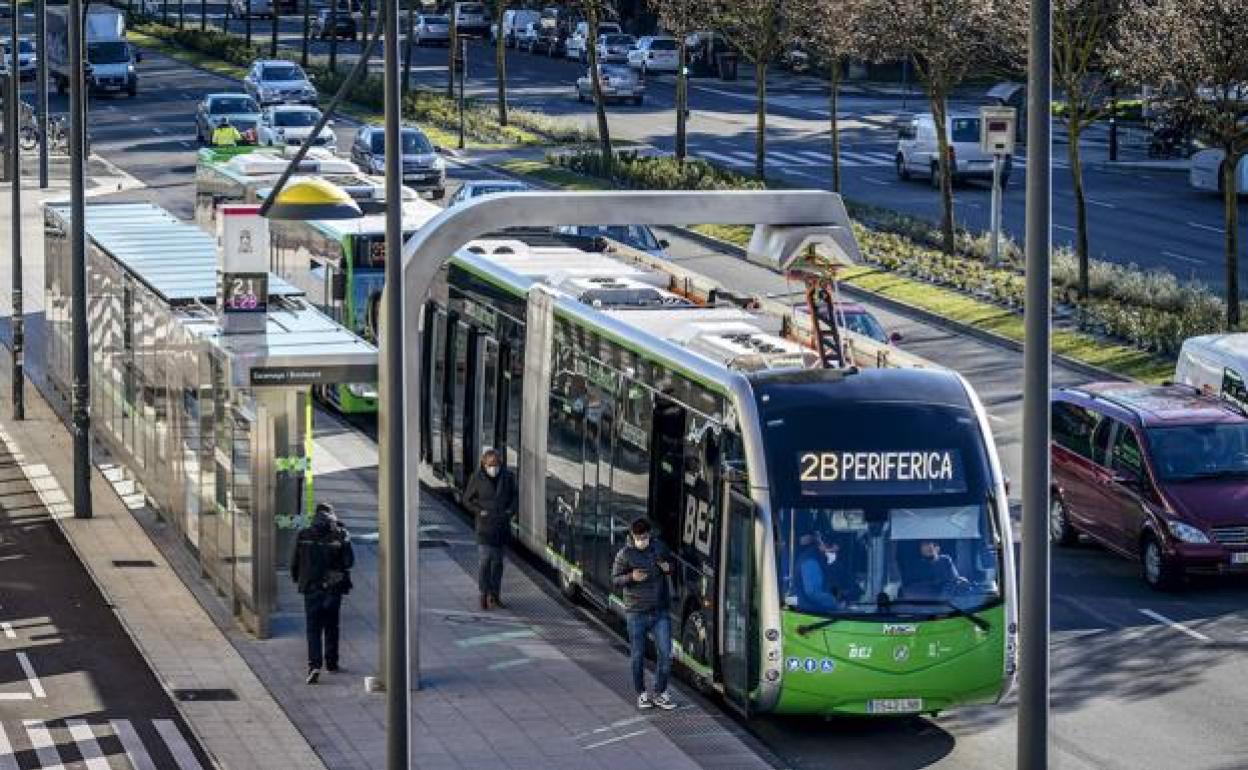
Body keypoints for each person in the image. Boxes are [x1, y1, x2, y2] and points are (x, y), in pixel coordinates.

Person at [611, 518, 678, 711]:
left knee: (665, 653)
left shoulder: (659, 548)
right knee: (638, 655)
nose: (642, 540)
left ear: (650, 534)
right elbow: (615, 579)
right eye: (639, 537)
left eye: (645, 537)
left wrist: (668, 568)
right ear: (632, 536)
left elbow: (672, 565)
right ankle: (641, 693)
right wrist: (631, 577)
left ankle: (660, 692)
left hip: (660, 611)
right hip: (636, 612)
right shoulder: (624, 554)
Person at [290, 503, 354, 684]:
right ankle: (332, 663)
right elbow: (349, 562)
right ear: (332, 516)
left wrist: (299, 580)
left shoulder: (304, 535)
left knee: (313, 628)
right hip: (333, 588)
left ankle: (314, 666)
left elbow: (295, 562)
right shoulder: (340, 535)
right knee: (332, 626)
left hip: (310, 587)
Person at [463, 448, 517, 610]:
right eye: (490, 465)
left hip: (501, 527)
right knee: (485, 561)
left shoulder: (507, 477)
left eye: (496, 464)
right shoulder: (477, 478)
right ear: (484, 464)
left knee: (498, 563)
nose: (493, 468)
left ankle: (495, 594)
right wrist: (480, 511)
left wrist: (510, 511)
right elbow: (467, 499)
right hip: (484, 529)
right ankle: (483, 593)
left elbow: (515, 497)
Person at [795, 530, 842, 612]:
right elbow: (813, 593)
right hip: (813, 614)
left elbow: (830, 584)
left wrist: (841, 596)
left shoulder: (822, 559)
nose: (835, 552)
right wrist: (836, 602)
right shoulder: (810, 561)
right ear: (822, 544)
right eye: (832, 549)